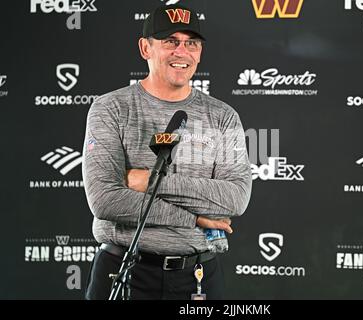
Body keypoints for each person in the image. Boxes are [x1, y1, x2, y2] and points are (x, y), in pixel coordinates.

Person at [82, 4, 252, 300]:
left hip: (199, 277)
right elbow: (105, 200)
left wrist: (147, 181)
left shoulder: (223, 116)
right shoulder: (111, 108)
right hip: (124, 270)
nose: (182, 52)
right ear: (145, 48)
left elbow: (235, 197)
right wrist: (195, 218)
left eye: (191, 43)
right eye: (170, 42)